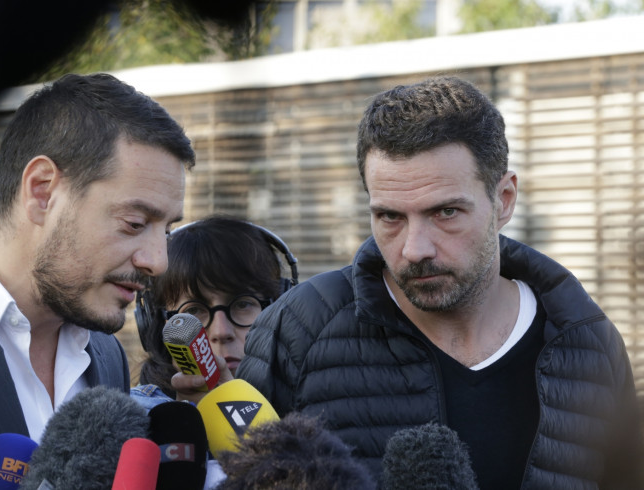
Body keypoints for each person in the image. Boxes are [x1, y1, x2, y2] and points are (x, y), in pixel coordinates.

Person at [237, 76, 644, 488]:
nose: (415, 249)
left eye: (445, 212)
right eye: (390, 217)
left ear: (503, 200)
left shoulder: (588, 344)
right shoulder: (296, 331)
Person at [0, 72, 195, 489]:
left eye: (166, 230)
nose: (158, 261)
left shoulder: (106, 354)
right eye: (135, 223)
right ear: (42, 191)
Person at [131, 215, 297, 408]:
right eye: (193, 310)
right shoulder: (136, 422)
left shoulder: (318, 407)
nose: (221, 332)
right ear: (157, 323)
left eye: (243, 304)